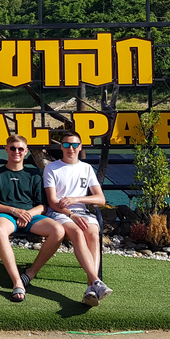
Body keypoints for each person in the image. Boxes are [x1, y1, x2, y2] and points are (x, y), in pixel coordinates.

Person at [0, 134, 66, 302]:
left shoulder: (35, 174)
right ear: (6, 149)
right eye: (13, 148)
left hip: (31, 217)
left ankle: (30, 273)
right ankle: (17, 282)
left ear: (26, 151)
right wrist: (15, 211)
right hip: (7, 215)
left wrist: (28, 213)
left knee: (58, 230)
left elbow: (43, 205)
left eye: (20, 149)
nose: (17, 151)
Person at [43, 131, 112, 306]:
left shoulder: (86, 168)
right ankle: (96, 282)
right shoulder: (51, 168)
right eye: (66, 144)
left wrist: (76, 199)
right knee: (77, 233)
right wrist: (71, 214)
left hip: (81, 213)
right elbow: (52, 202)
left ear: (80, 147)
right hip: (61, 214)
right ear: (61, 147)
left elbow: (100, 199)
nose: (70, 148)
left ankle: (91, 288)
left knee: (93, 234)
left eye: (74, 145)